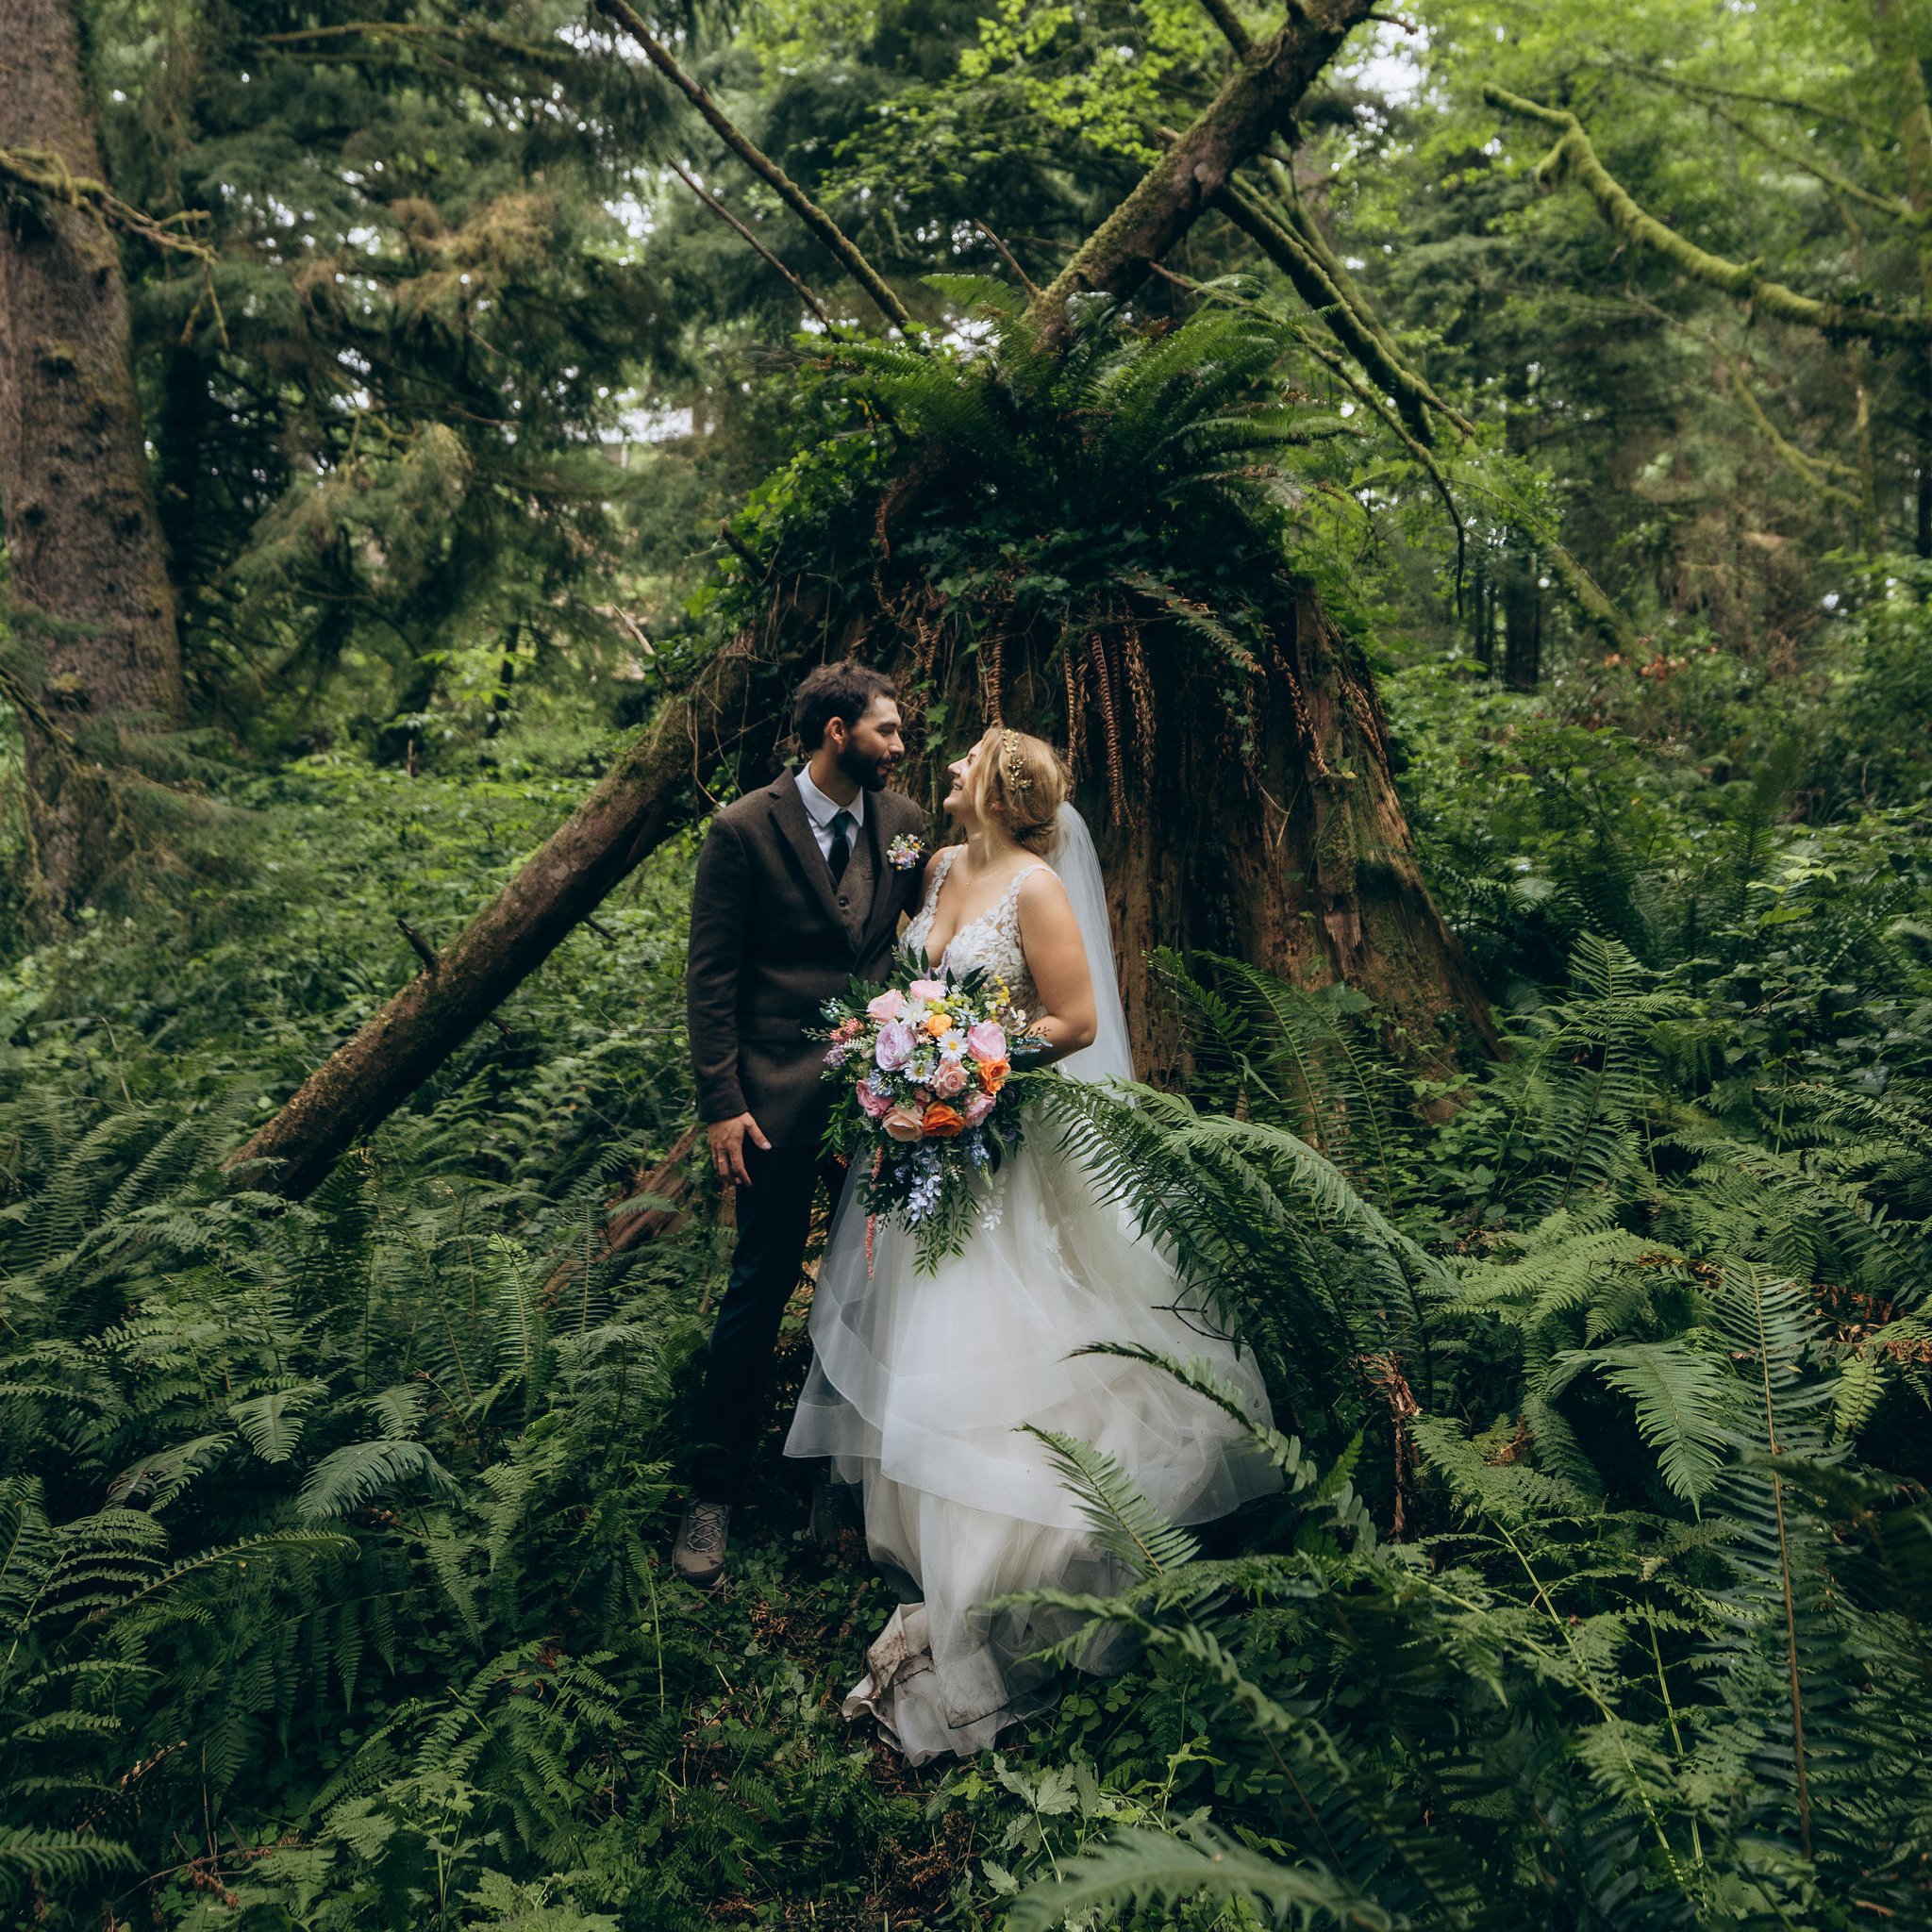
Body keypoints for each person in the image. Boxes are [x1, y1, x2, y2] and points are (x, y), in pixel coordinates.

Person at [782, 726, 1281, 1764]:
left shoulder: (1038, 890)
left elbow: (1079, 1019)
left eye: (968, 758)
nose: (949, 765)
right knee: (921, 1319)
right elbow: (917, 980)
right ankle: (926, 1539)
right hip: (924, 1141)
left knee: (995, 1331)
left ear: (1002, 790)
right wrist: (903, 1039)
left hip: (999, 1142)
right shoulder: (942, 864)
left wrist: (970, 1058)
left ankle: (999, 1571)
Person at [675, 661, 930, 1587]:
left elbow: (911, 931)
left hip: (880, 1101)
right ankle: (714, 1490)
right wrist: (723, 1105)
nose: (899, 746)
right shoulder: (742, 829)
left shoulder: (902, 827)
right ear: (834, 730)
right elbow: (709, 979)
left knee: (873, 1286)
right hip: (772, 1102)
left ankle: (843, 1475)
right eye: (887, 730)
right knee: (759, 1284)